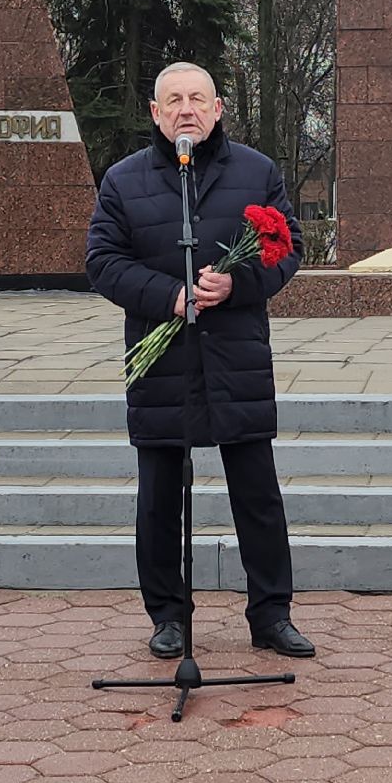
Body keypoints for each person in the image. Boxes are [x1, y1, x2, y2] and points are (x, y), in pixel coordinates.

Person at [85, 62, 313, 660]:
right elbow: (102, 261)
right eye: (173, 100)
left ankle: (272, 615)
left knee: (257, 493)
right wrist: (171, 296)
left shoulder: (257, 172)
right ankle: (168, 616)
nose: (187, 109)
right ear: (156, 115)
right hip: (161, 360)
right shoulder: (122, 180)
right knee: (160, 495)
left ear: (217, 110)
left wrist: (236, 285)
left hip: (237, 356)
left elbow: (287, 248)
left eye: (198, 99)